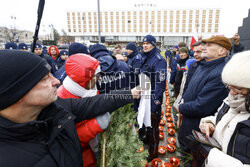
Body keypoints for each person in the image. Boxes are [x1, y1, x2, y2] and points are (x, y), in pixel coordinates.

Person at [0, 50, 142, 167]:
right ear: (18, 93)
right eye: (44, 79)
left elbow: (92, 104)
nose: (56, 81)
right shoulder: (8, 158)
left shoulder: (55, 107)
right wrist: (95, 125)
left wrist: (129, 93)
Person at [177, 36, 232, 153]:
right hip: (188, 124)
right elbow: (189, 89)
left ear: (221, 51)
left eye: (209, 45)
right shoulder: (203, 65)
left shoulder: (220, 73)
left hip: (196, 131)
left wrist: (181, 107)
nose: (204, 48)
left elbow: (202, 106)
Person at [198, 51, 250, 166]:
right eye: (229, 87)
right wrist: (210, 124)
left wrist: (215, 158)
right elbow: (220, 117)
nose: (231, 93)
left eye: (239, 89)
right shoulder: (232, 98)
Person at [57, 53, 108, 167]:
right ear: (83, 79)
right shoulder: (62, 100)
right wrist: (96, 125)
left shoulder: (90, 89)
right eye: (96, 75)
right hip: (78, 157)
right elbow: (68, 140)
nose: (99, 78)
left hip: (91, 150)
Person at [137, 34, 167, 161]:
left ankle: (153, 152)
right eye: (143, 43)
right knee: (145, 123)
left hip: (153, 98)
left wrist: (155, 102)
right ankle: (148, 142)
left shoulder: (158, 60)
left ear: (154, 45)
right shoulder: (144, 57)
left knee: (153, 127)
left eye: (148, 43)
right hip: (144, 96)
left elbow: (160, 83)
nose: (145, 45)